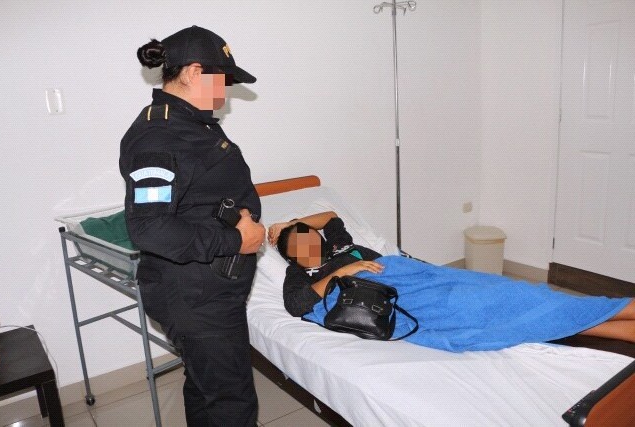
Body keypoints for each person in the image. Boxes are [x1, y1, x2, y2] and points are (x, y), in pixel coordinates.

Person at [119, 26, 265, 427]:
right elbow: (150, 228)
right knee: (232, 403)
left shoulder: (191, 122)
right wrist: (236, 238)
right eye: (223, 80)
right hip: (196, 298)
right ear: (194, 72)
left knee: (204, 388)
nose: (226, 91)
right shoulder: (158, 137)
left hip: (207, 289)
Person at [268, 212, 635, 350]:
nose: (306, 245)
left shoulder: (340, 243)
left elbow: (330, 215)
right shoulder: (299, 275)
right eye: (296, 247)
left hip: (419, 275)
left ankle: (612, 316)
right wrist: (342, 272)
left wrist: (290, 223)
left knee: (508, 290)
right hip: (403, 297)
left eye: (307, 237)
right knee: (501, 304)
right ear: (292, 258)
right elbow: (297, 305)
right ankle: (618, 314)